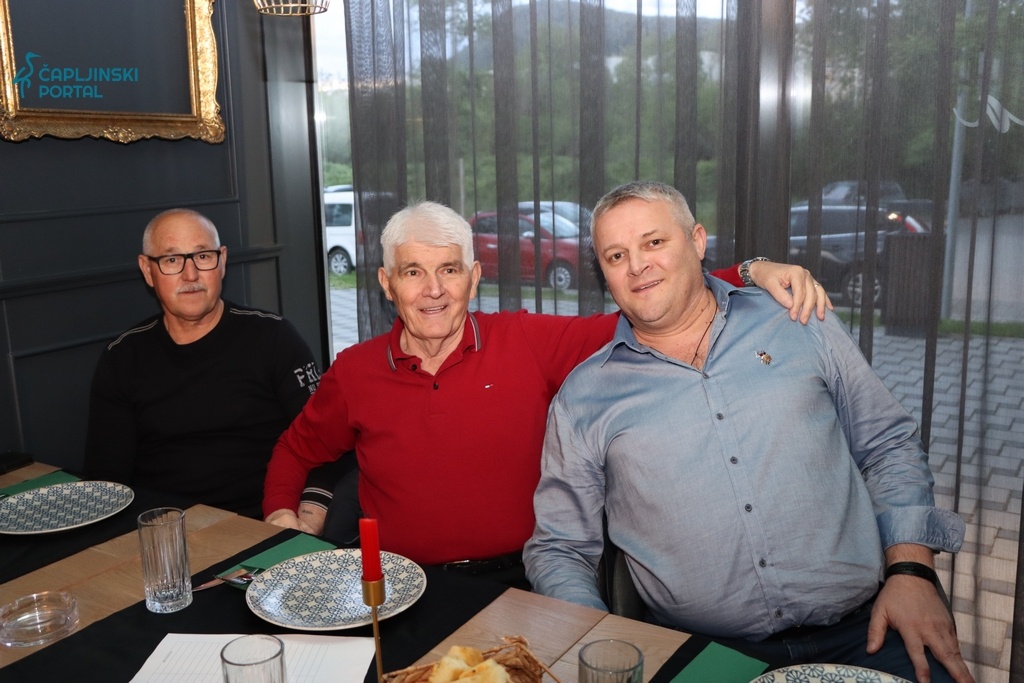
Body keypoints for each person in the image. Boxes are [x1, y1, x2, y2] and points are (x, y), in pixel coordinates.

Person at [523, 181, 972, 683]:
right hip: (704, 657)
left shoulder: (799, 320)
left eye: (654, 242)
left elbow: (887, 445)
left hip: (867, 631)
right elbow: (560, 548)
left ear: (697, 241)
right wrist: (594, 647)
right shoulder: (585, 398)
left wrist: (912, 573)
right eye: (616, 255)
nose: (637, 266)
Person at [263, 200, 831, 584]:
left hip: (520, 582)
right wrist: (281, 514)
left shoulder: (526, 341)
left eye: (450, 270)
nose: (434, 290)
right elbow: (296, 448)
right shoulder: (356, 371)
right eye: (413, 272)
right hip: (398, 586)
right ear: (387, 283)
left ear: (474, 278)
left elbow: (648, 303)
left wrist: (750, 271)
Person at [84, 208, 347, 521]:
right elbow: (106, 480)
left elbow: (327, 442)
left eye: (203, 256)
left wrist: (308, 515)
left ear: (222, 261)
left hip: (265, 521)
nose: (190, 275)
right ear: (147, 270)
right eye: (172, 260)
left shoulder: (274, 338)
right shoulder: (122, 357)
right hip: (165, 528)